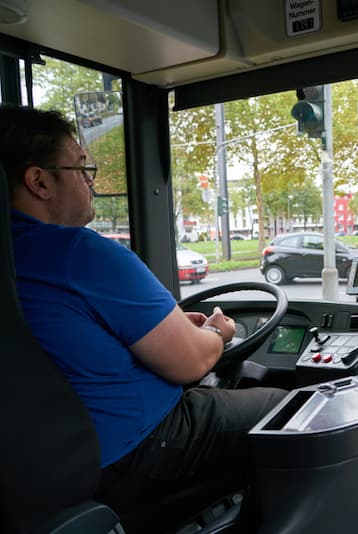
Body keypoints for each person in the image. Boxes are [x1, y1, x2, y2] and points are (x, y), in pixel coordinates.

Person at [0, 104, 287, 531]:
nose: (90, 182)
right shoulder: (77, 252)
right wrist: (217, 333)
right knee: (289, 410)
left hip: (35, 465)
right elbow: (191, 363)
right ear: (39, 181)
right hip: (137, 448)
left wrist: (166, 332)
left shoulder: (13, 258)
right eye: (81, 167)